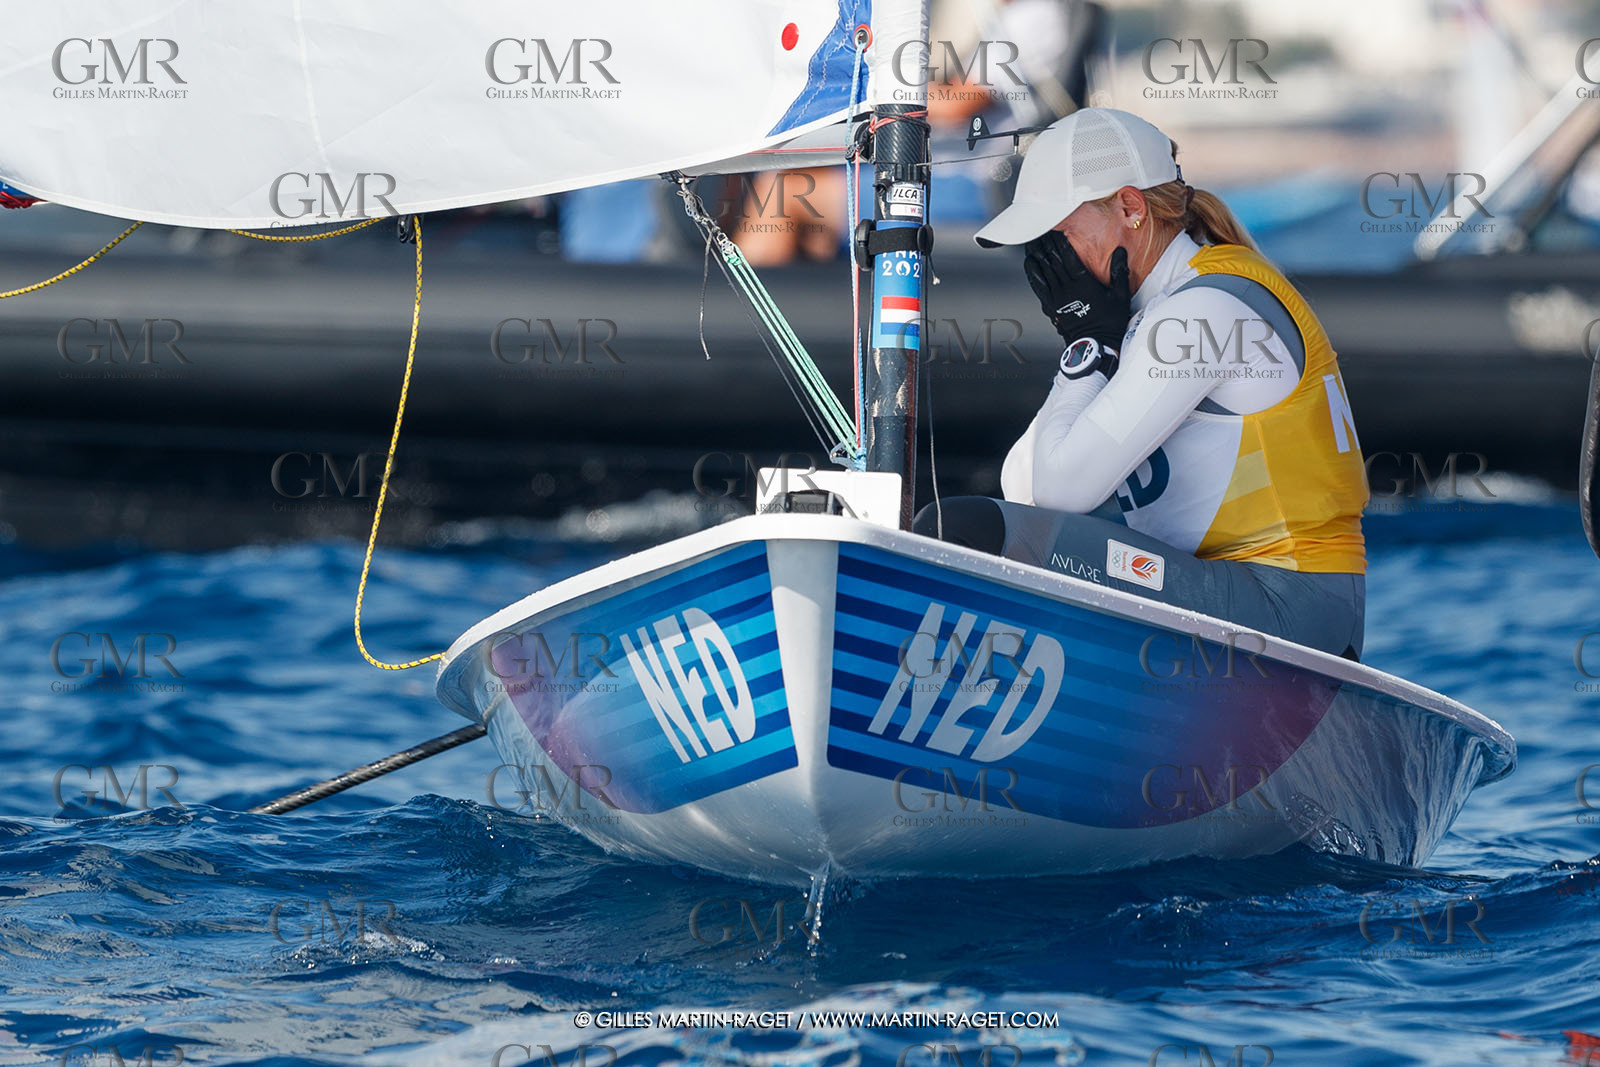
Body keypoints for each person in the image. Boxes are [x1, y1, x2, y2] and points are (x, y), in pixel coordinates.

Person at [914, 107, 1370, 660]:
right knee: (987, 526)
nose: (1048, 260)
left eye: (1057, 235)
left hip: (1290, 608)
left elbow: (1058, 493)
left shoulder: (1198, 316)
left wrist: (1090, 347)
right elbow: (1025, 487)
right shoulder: (1157, 312)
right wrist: (1089, 345)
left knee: (964, 529)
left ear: (1130, 208)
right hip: (1249, 596)